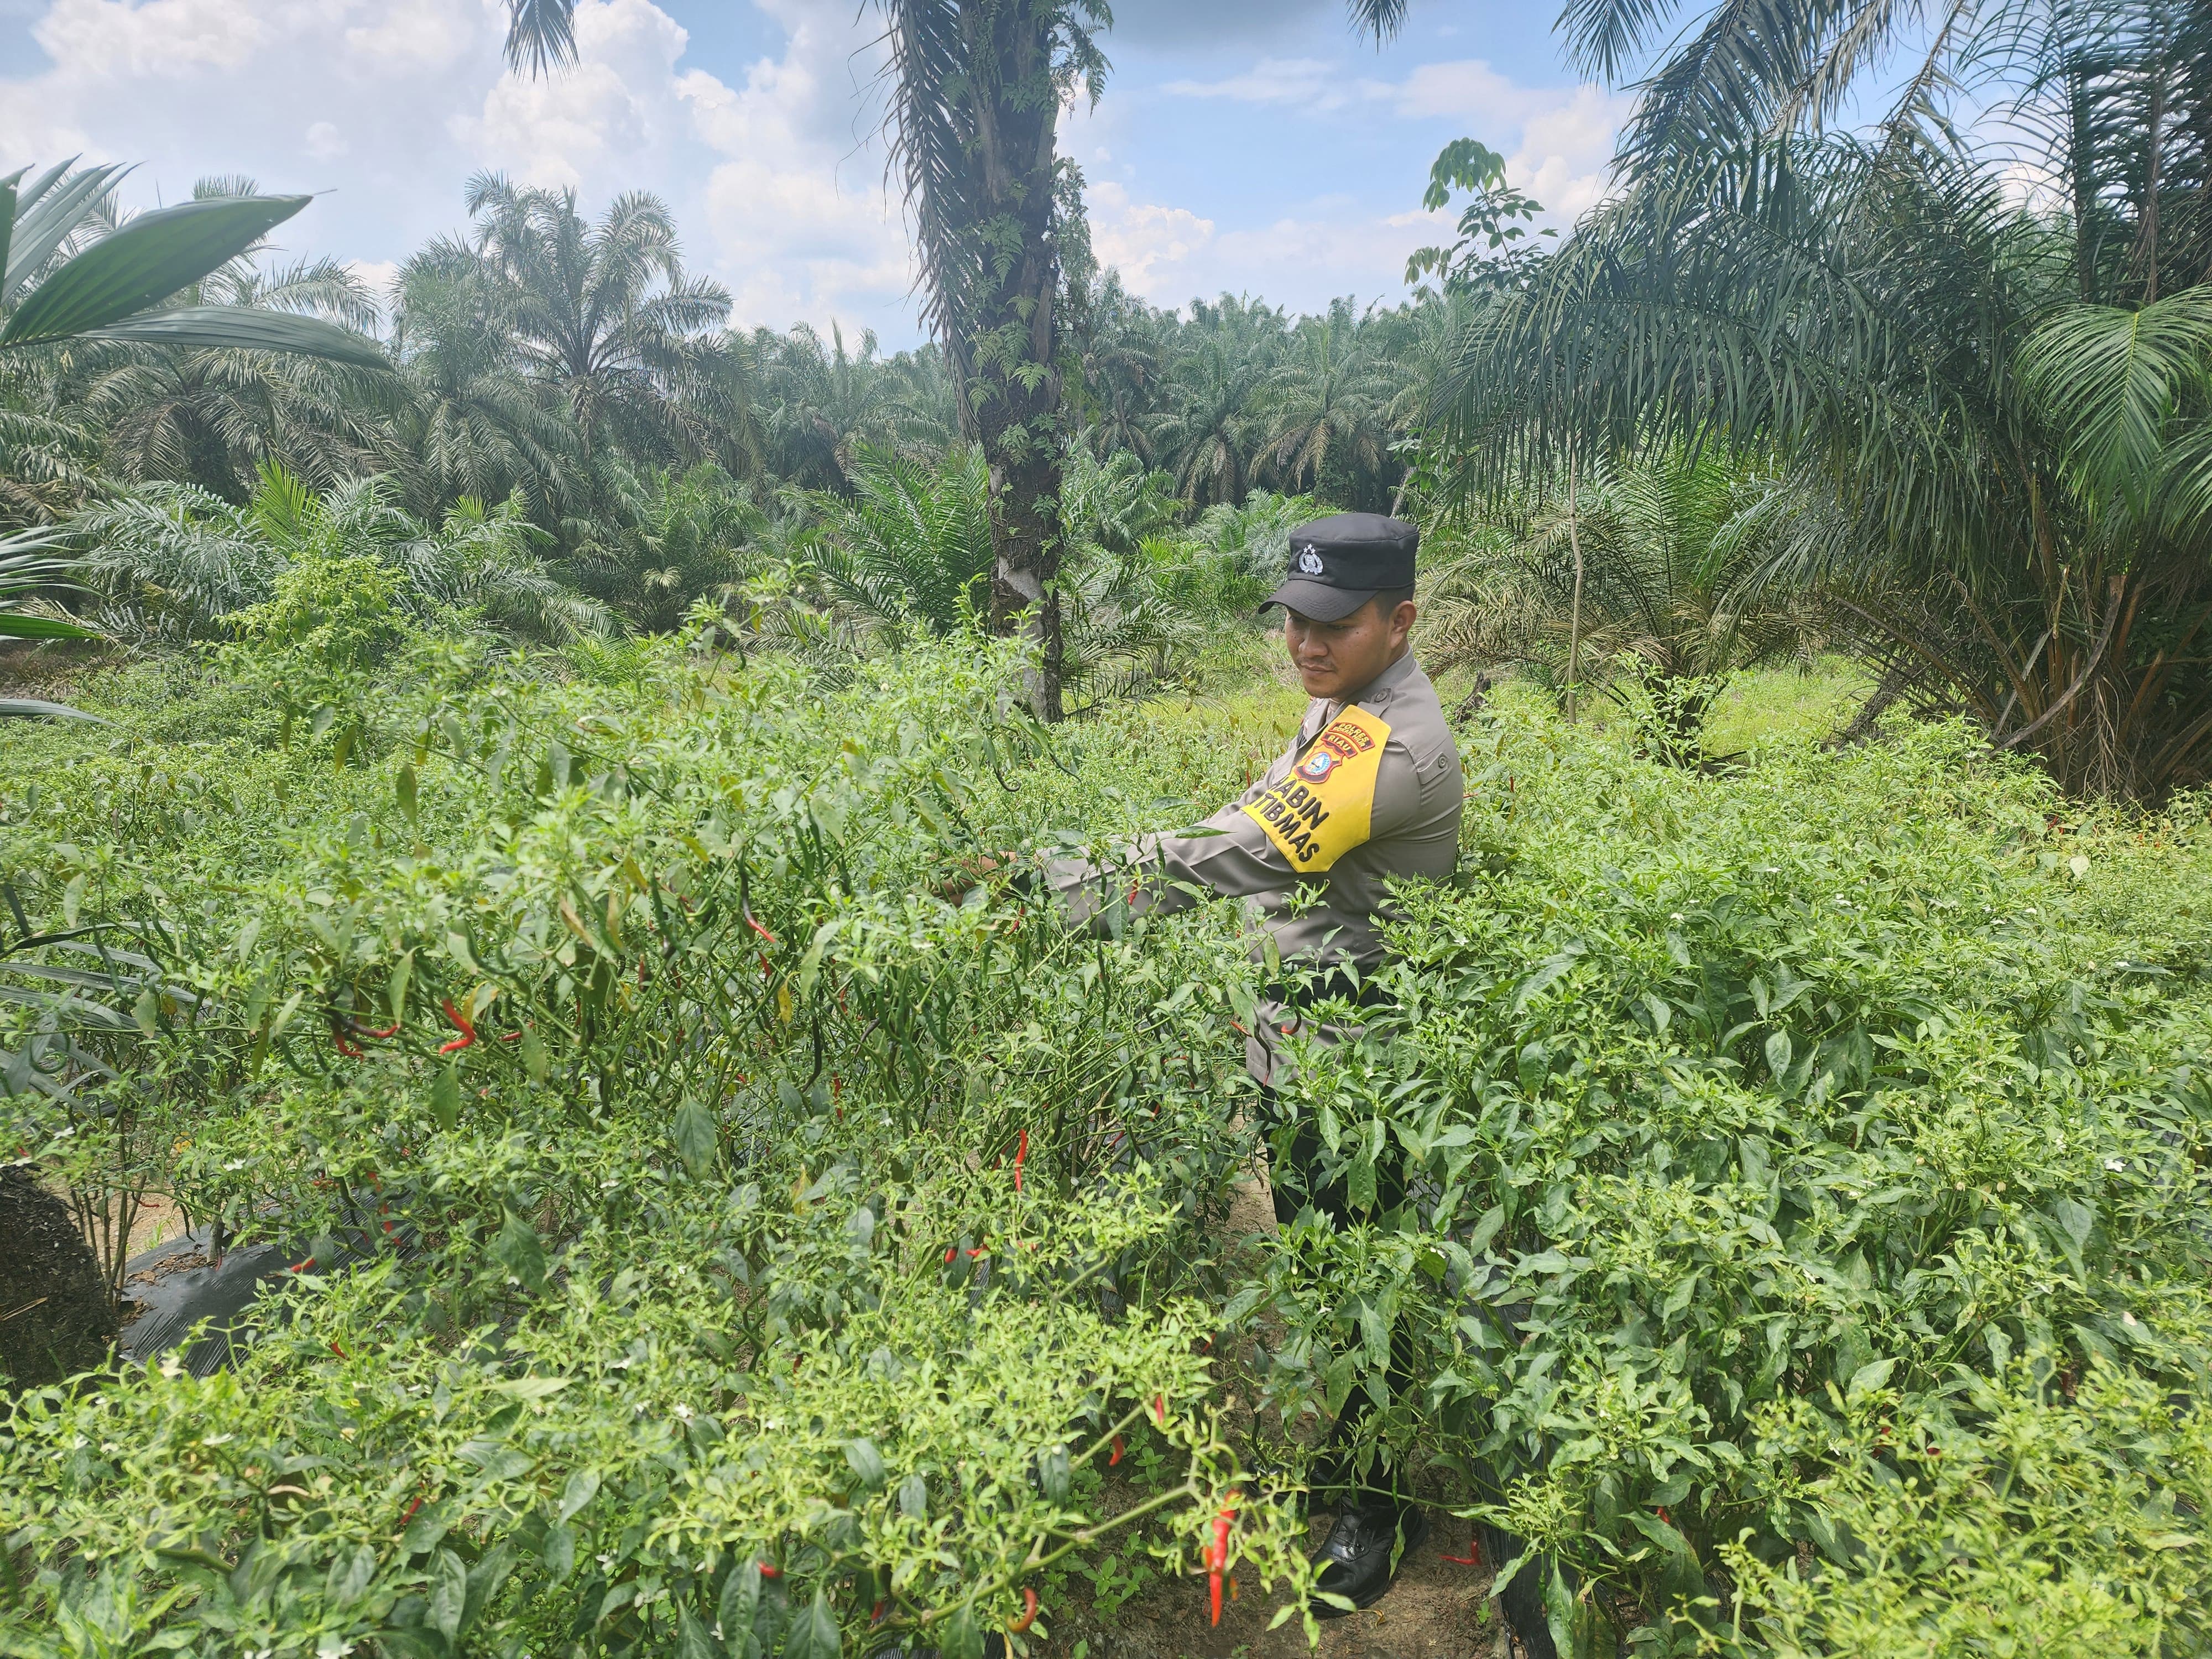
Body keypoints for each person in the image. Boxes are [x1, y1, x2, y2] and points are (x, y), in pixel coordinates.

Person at [1036, 511, 1465, 1613]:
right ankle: (1343, 1461)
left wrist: (1057, 881)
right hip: (1299, 1031)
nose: (1304, 643)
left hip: (1354, 1053)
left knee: (1365, 1277)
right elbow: (1255, 814)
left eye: (1333, 623)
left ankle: (1375, 1509)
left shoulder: (1398, 744)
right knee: (1324, 1263)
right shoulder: (1342, 704)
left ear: (1400, 621)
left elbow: (1246, 851)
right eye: (1292, 619)